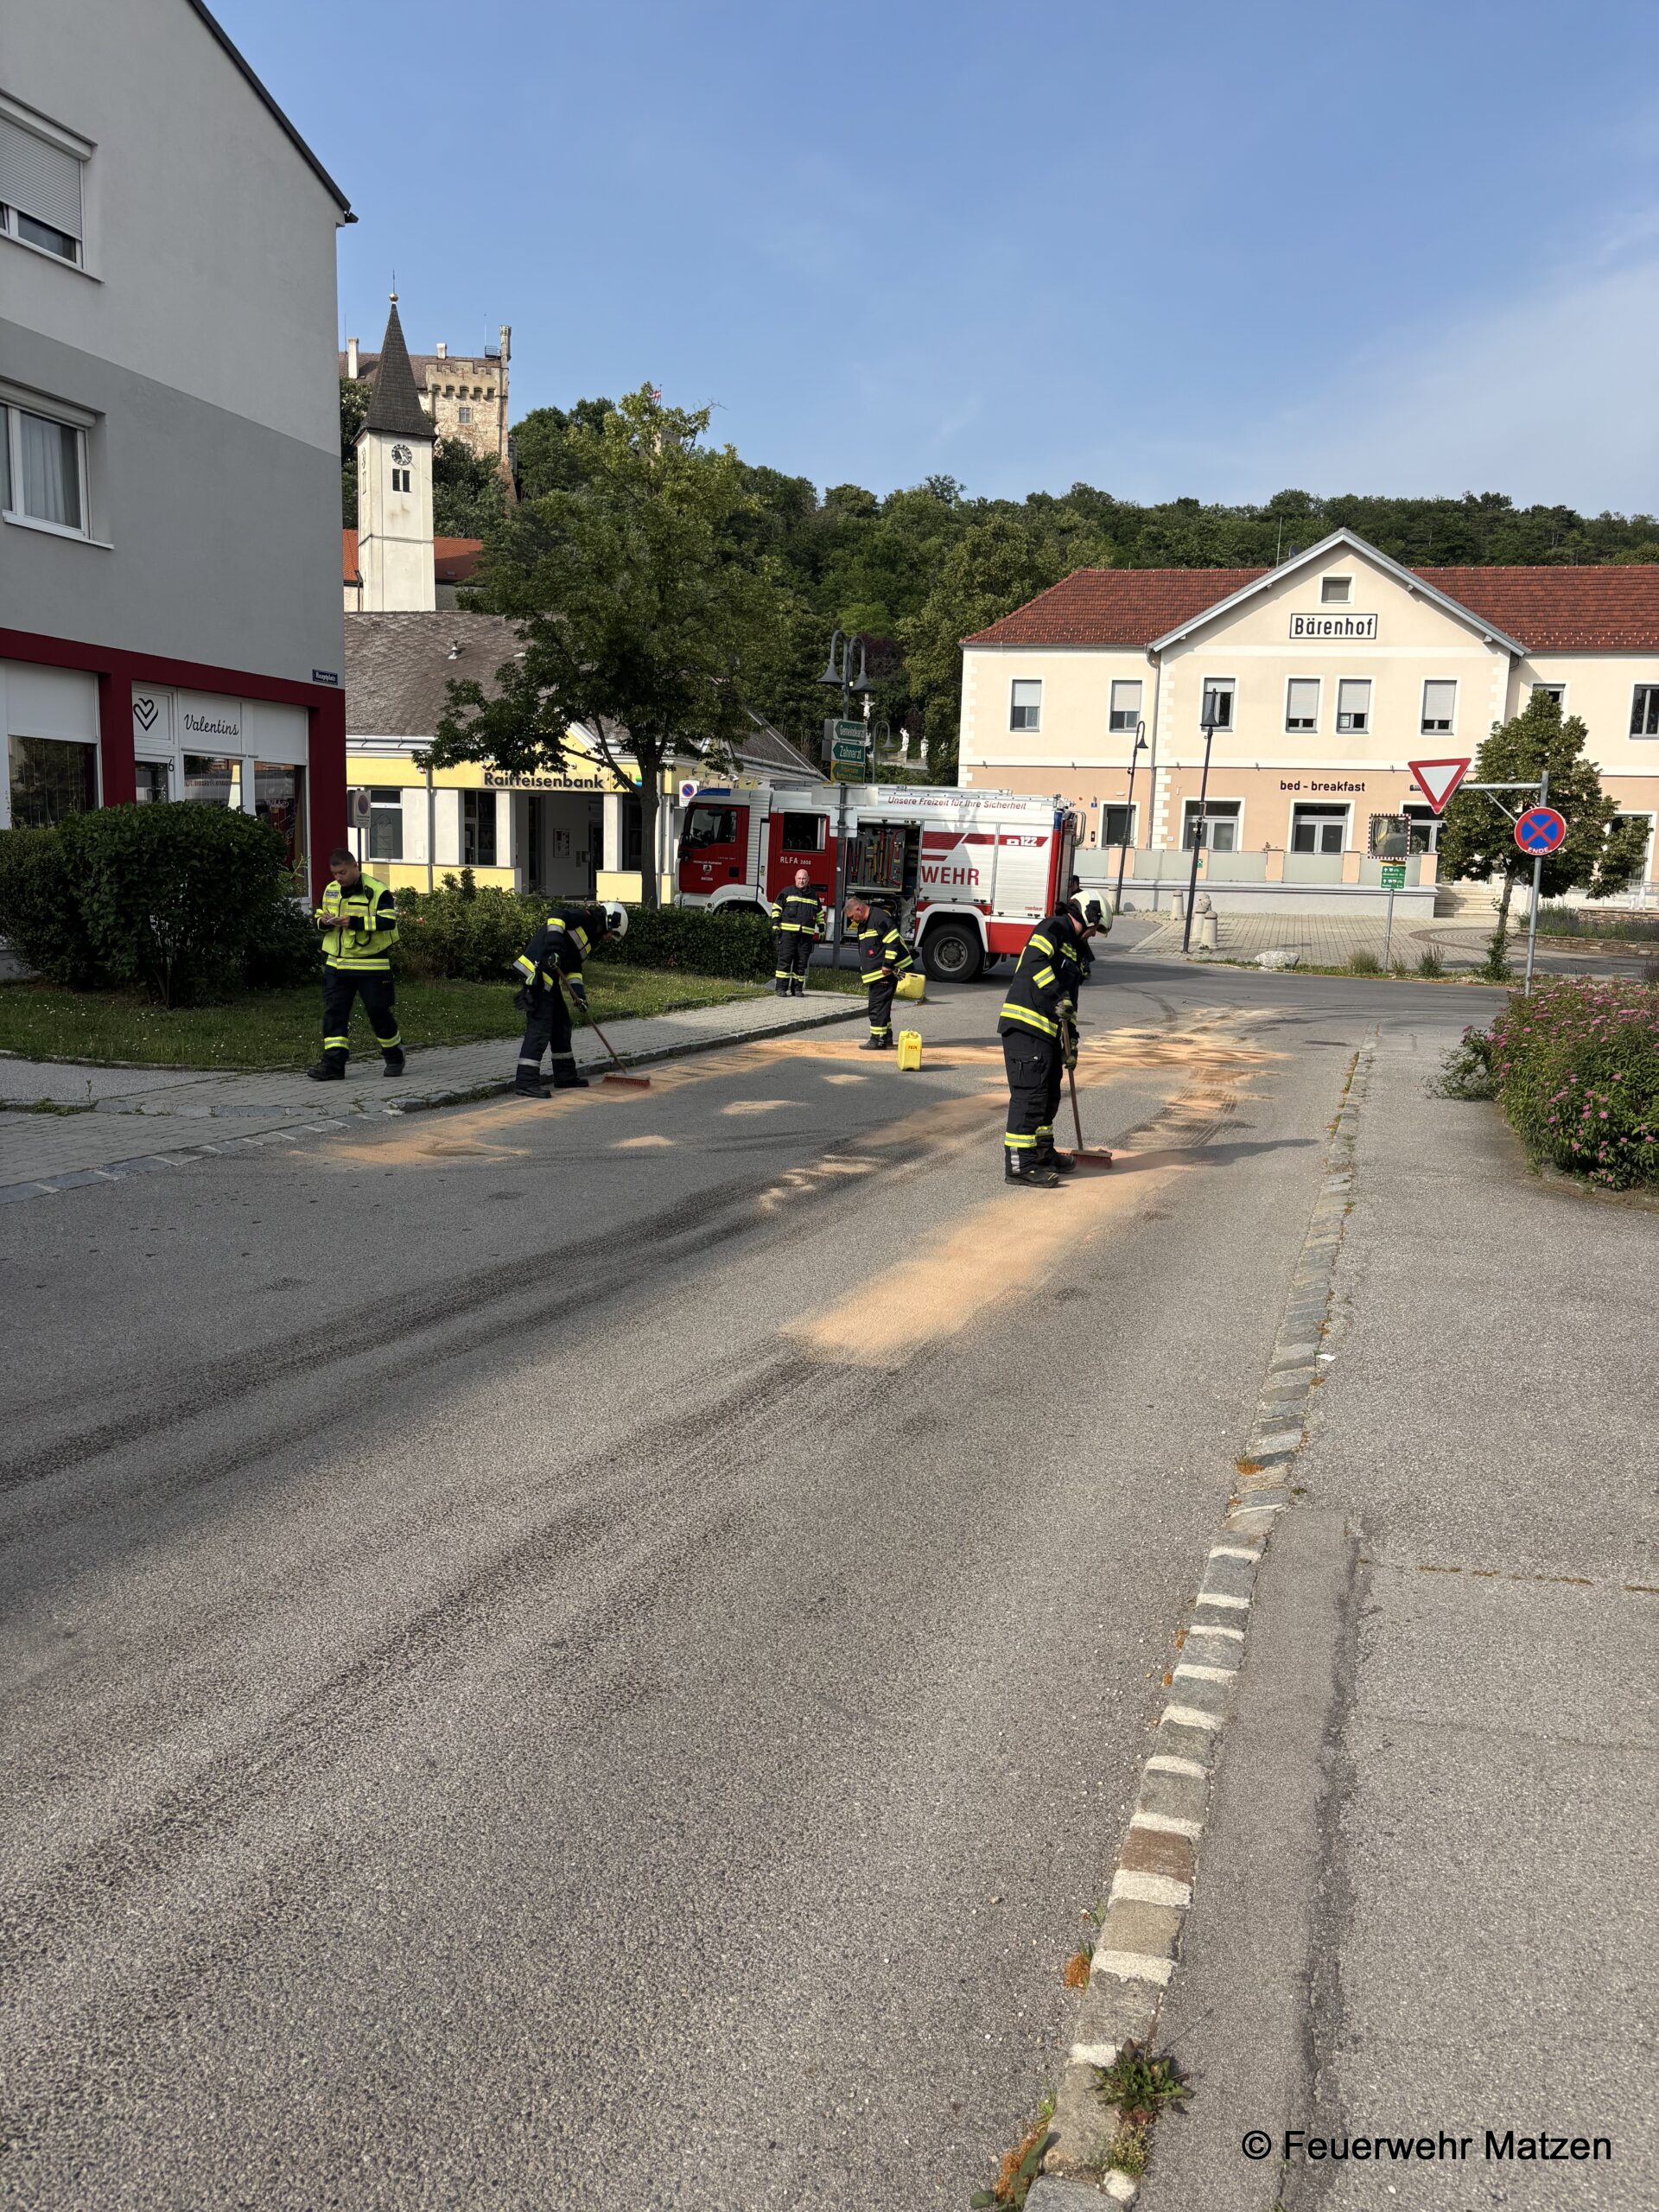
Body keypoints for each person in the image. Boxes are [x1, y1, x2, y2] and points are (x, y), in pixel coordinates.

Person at [998, 906, 1092, 1185]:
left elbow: (1070, 1002)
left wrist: (1071, 1041)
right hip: (1026, 1028)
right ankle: (1020, 1166)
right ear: (1088, 917)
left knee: (1048, 1096)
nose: (1094, 935)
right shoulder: (1053, 928)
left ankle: (1042, 1153)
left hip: (1047, 1033)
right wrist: (1056, 997)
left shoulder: (1075, 951)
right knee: (1030, 1097)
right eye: (1095, 929)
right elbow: (1034, 963)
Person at [306, 847, 404, 1081]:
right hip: (337, 965)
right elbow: (318, 917)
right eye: (335, 873)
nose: (338, 878)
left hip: (371, 965)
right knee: (334, 1014)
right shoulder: (331, 890)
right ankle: (333, 1065)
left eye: (342, 873)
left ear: (355, 867)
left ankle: (394, 1055)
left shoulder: (377, 890)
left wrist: (354, 922)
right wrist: (325, 922)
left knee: (378, 1013)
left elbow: (388, 921)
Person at [510, 900, 626, 1094]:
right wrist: (554, 949)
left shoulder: (591, 940)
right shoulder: (583, 918)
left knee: (561, 1025)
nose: (609, 938)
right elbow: (556, 915)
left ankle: (565, 1076)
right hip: (537, 974)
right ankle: (525, 1082)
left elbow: (574, 968)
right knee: (540, 1027)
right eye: (612, 933)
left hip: (550, 978)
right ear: (609, 921)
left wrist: (579, 997)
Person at [843, 893, 913, 1051]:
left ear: (859, 909)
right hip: (877, 974)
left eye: (852, 917)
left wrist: (888, 964)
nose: (852, 920)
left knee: (877, 1006)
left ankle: (877, 1039)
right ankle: (886, 1037)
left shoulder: (879, 918)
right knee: (882, 1006)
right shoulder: (865, 923)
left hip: (885, 972)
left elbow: (893, 941)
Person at [770, 868, 825, 996]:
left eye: (804, 878)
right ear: (795, 878)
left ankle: (797, 989)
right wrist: (775, 924)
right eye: (799, 878)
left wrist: (822, 928)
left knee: (801, 963)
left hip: (805, 935)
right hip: (788, 934)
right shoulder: (786, 892)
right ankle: (781, 989)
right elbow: (776, 908)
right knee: (785, 960)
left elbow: (819, 914)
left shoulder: (814, 896)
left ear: (808, 879)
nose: (801, 881)